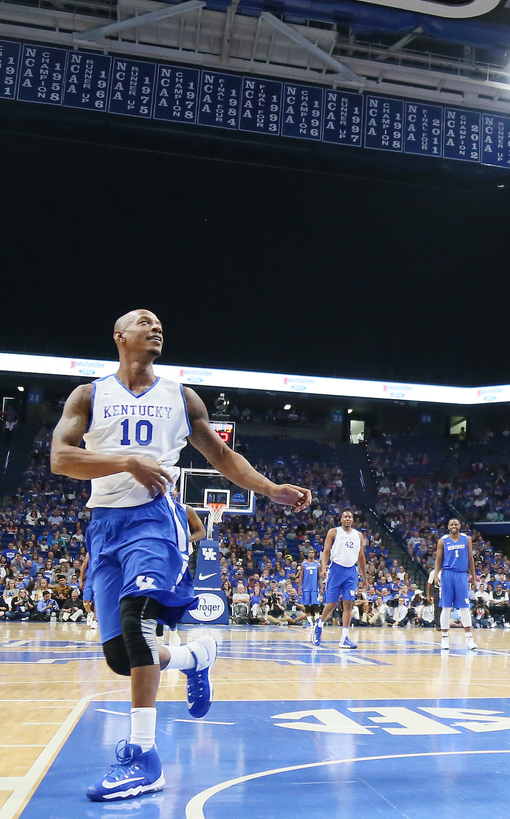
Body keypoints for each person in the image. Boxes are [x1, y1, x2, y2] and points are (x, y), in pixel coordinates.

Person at [50, 309, 311, 802]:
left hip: (155, 519)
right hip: (104, 525)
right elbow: (61, 459)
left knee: (138, 624)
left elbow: (221, 456)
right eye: (143, 320)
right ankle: (195, 657)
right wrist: (126, 460)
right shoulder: (89, 394)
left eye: (159, 323)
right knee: (120, 659)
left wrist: (269, 488)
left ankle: (143, 758)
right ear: (118, 336)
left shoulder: (181, 396)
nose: (155, 326)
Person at [314, 510, 368, 649]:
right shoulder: (334, 532)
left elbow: (361, 556)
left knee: (348, 604)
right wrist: (324, 569)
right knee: (331, 605)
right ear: (341, 519)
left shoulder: (358, 535)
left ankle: (344, 638)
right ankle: (319, 624)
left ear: (353, 520)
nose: (348, 518)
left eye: (350, 516)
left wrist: (365, 577)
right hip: (336, 570)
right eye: (345, 516)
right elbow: (326, 551)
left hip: (351, 572)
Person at [427, 518, 478, 651]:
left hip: (461, 574)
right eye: (451, 524)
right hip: (447, 574)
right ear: (448, 527)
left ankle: (469, 638)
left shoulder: (466, 539)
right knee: (446, 606)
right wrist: (437, 576)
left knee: (464, 607)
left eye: (456, 524)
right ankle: (444, 638)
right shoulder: (443, 540)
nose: (454, 526)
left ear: (459, 526)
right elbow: (438, 559)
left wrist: (473, 577)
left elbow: (470, 559)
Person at [295, 547, 322, 634]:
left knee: (315, 605)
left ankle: (317, 621)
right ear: (308, 554)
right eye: (309, 552)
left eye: (312, 552)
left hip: (314, 588)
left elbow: (320, 577)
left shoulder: (317, 564)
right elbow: (301, 576)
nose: (310, 554)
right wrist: (299, 588)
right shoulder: (304, 564)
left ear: (314, 554)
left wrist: (321, 587)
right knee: (306, 605)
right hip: (306, 588)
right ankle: (310, 622)